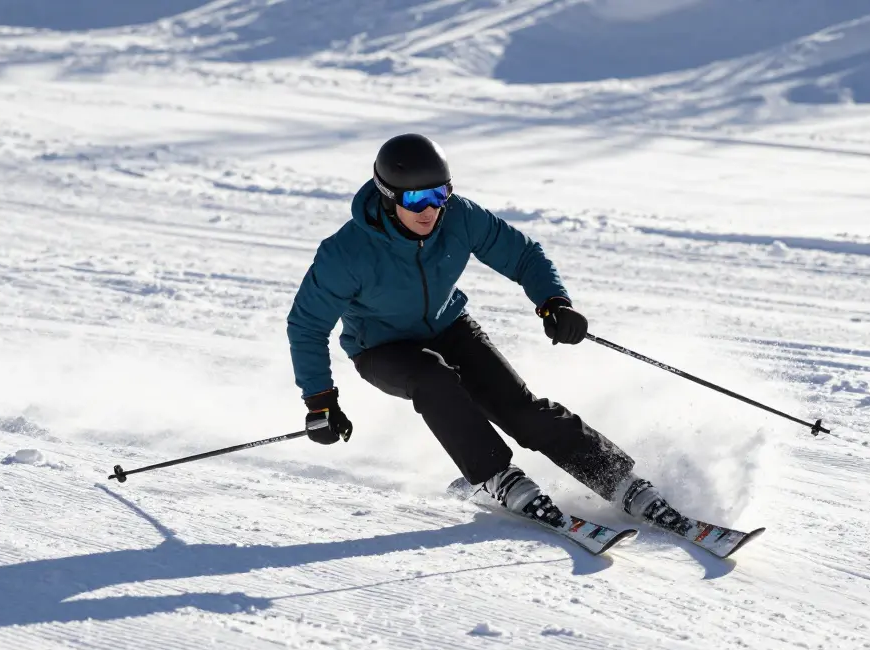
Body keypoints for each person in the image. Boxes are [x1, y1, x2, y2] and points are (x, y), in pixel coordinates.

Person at [287, 134, 678, 529]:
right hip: (382, 347)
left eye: (438, 194)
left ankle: (619, 481)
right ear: (389, 198)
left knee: (519, 409)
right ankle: (496, 476)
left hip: (449, 325)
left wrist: (554, 302)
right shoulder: (346, 253)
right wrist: (320, 401)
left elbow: (523, 254)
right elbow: (307, 325)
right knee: (433, 379)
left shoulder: (458, 216)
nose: (429, 211)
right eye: (414, 200)